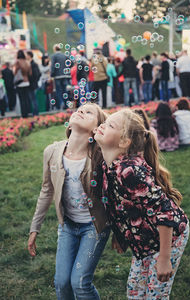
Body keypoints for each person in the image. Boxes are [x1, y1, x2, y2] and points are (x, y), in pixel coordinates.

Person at [94, 109, 189, 300]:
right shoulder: (108, 166)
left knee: (155, 294)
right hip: (144, 241)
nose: (103, 124)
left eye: (111, 125)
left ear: (123, 142)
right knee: (135, 292)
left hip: (168, 238)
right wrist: (120, 235)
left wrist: (164, 258)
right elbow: (117, 205)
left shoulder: (130, 172)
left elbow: (166, 212)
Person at [28, 103, 110, 300]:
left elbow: (115, 195)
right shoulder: (52, 152)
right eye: (80, 108)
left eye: (89, 112)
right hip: (68, 225)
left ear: (96, 129)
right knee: (61, 283)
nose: (81, 110)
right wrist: (34, 228)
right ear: (70, 125)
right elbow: (46, 190)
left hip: (95, 226)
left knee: (80, 283)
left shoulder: (100, 156)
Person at [51, 44, 72, 109]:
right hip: (65, 76)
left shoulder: (54, 56)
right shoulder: (64, 55)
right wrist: (67, 70)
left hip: (57, 76)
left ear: (55, 49)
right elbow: (71, 63)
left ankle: (60, 105)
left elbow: (53, 66)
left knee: (58, 91)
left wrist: (52, 74)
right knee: (65, 91)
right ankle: (66, 105)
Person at [14, 50, 32, 118]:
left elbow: (15, 72)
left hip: (20, 83)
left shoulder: (18, 62)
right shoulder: (27, 62)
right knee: (26, 98)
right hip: (27, 82)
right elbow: (30, 73)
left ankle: (23, 114)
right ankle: (27, 113)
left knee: (22, 100)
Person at [27, 51, 41, 116]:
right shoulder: (31, 64)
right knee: (33, 99)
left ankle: (35, 113)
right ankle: (35, 112)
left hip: (32, 84)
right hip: (32, 84)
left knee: (33, 99)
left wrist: (33, 80)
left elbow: (37, 74)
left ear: (29, 56)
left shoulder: (33, 64)